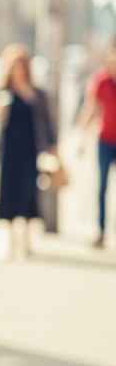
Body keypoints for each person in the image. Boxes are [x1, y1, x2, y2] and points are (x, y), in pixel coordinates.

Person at [0, 43, 56, 259]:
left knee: (28, 195)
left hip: (30, 150)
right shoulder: (1, 91)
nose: (17, 69)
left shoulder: (36, 93)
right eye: (13, 65)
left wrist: (53, 146)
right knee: (8, 195)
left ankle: (26, 242)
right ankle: (10, 243)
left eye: (21, 65)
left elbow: (46, 121)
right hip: (8, 150)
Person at [76, 39, 116, 248]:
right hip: (105, 140)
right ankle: (101, 231)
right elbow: (90, 108)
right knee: (101, 186)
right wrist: (81, 138)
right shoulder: (101, 79)